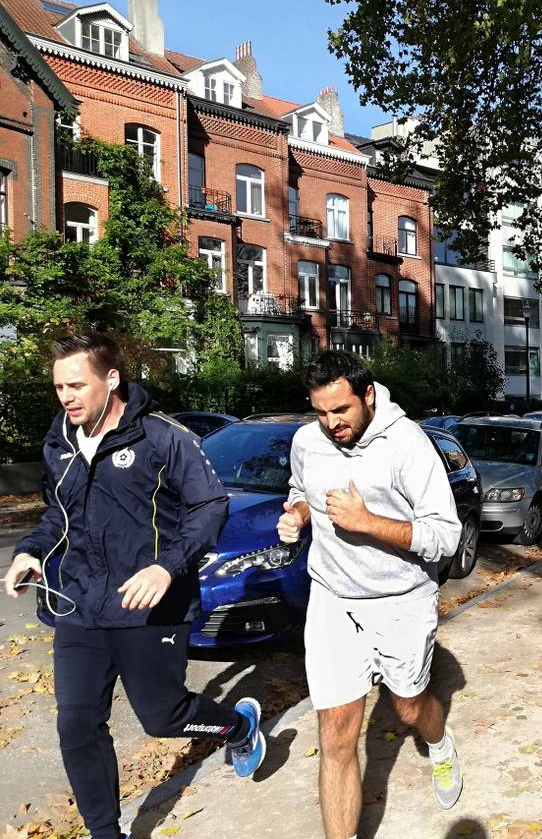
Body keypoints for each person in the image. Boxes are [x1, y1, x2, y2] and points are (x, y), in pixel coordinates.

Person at [3, 333, 264, 839]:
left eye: (77, 385)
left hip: (149, 606)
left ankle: (236, 726)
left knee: (163, 718)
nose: (66, 397)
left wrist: (167, 567)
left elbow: (210, 505)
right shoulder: (59, 440)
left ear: (112, 379)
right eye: (59, 387)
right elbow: (59, 515)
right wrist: (29, 552)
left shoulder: (162, 436)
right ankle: (107, 833)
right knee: (76, 725)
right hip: (78, 605)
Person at [276, 351, 464, 839]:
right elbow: (301, 487)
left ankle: (439, 742)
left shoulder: (408, 445)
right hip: (333, 596)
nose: (331, 423)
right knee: (336, 731)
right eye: (321, 412)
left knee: (408, 707)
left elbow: (445, 536)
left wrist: (368, 523)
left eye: (341, 411)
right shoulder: (306, 441)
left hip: (400, 599)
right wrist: (298, 513)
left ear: (369, 395)